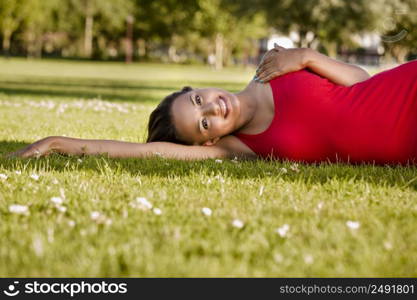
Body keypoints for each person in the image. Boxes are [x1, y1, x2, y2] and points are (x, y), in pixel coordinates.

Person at [7, 45, 417, 165]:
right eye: (203, 123)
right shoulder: (239, 146)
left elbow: (365, 84)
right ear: (208, 142)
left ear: (196, 87)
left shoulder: (273, 68)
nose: (213, 109)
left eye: (198, 100)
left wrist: (307, 56)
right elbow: (147, 151)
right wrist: (58, 143)